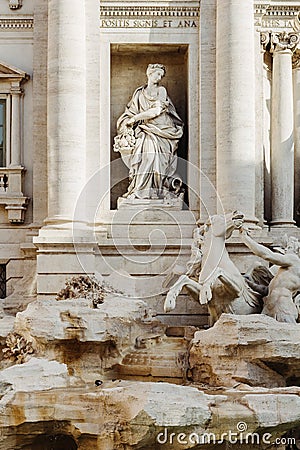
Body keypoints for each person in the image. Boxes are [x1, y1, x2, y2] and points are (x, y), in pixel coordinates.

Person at [113, 64, 184, 200]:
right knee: (145, 156)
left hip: (162, 131)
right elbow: (131, 111)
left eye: (161, 75)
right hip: (145, 130)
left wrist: (135, 118)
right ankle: (140, 190)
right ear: (149, 74)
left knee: (154, 158)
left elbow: (157, 111)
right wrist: (127, 121)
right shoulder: (139, 93)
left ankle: (156, 191)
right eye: (157, 74)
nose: (159, 77)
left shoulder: (161, 90)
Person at [240, 228, 300, 323]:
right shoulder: (285, 271)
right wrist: (248, 283)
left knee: (286, 335)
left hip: (283, 308)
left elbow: (267, 255)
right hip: (269, 308)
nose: (285, 250)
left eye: (289, 248)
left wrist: (246, 239)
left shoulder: (294, 260)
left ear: (296, 250)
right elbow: (266, 290)